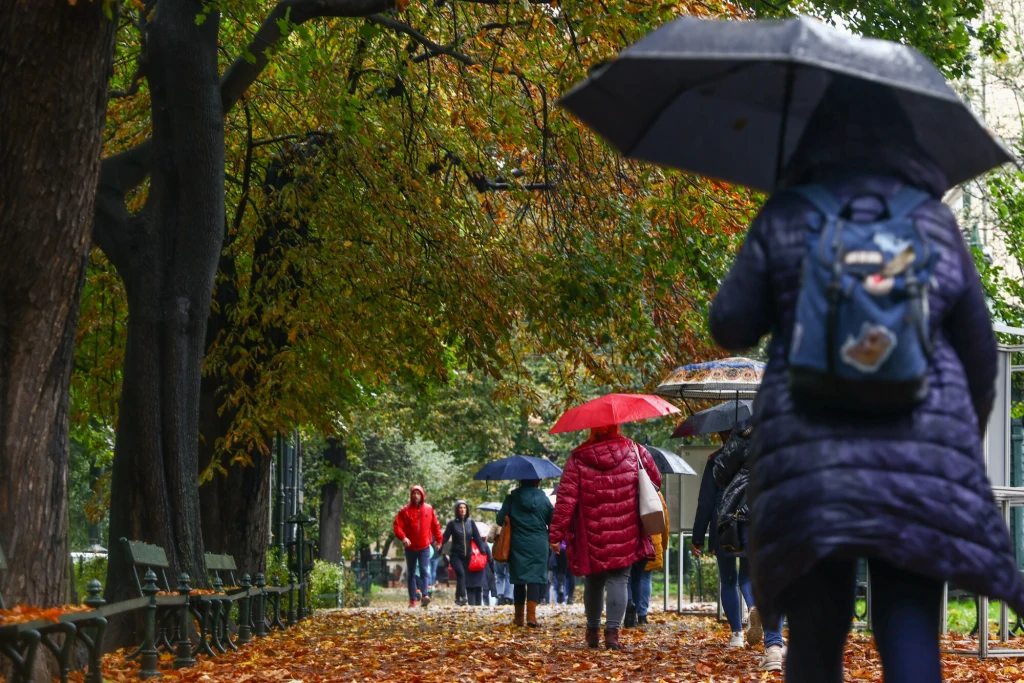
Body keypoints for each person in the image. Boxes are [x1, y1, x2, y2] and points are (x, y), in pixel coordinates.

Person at [707, 78, 1024, 682]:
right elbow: (980, 353)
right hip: (921, 463)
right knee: (907, 619)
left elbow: (730, 325)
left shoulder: (790, 212)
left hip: (810, 461)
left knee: (818, 633)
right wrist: (952, 440)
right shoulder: (932, 223)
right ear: (904, 140)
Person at [549, 424, 662, 650]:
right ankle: (612, 635)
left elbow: (566, 499)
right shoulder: (635, 450)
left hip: (592, 532)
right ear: (616, 426)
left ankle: (592, 632)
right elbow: (656, 481)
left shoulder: (578, 458)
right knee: (619, 579)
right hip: (625, 528)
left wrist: (555, 534)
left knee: (594, 580)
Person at [692, 430, 752, 648]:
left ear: (721, 435)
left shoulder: (716, 460)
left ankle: (737, 633)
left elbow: (706, 502)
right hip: (749, 521)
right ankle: (754, 608)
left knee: (728, 579)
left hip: (723, 525)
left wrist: (698, 536)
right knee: (748, 578)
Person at [497, 479, 554, 628]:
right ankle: (531, 617)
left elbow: (499, 520)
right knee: (534, 578)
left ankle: (518, 618)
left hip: (518, 544)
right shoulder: (543, 499)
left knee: (519, 579)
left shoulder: (511, 498)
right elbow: (553, 520)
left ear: (521, 481)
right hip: (539, 544)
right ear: (537, 481)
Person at [392, 485, 443, 608]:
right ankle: (413, 600)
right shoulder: (405, 511)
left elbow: (435, 525)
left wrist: (439, 540)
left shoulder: (429, 509)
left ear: (422, 495)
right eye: (414, 493)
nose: (416, 496)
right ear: (411, 495)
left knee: (425, 570)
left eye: (418, 494)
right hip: (410, 548)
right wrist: (403, 537)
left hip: (424, 546)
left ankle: (425, 596)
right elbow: (397, 526)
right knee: (411, 573)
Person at [629, 489, 670, 627]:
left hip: (630, 539)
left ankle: (629, 610)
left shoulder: (628, 491)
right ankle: (642, 614)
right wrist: (663, 545)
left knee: (628, 577)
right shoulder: (656, 493)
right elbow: (665, 521)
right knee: (645, 578)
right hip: (651, 541)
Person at [442, 500, 489, 606]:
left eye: (464, 508)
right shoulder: (452, 524)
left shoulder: (470, 522)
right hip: (455, 555)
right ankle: (463, 596)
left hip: (467, 556)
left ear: (466, 510)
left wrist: (482, 550)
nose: (462, 510)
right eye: (460, 508)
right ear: (457, 510)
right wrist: (439, 544)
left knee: (460, 577)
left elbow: (476, 537)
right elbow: (445, 537)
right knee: (461, 574)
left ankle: (458, 598)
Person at [554, 541, 575, 605]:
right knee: (571, 572)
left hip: (559, 547)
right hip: (572, 547)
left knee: (560, 571)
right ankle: (570, 596)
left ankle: (561, 587)